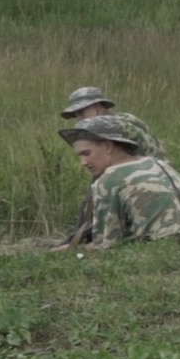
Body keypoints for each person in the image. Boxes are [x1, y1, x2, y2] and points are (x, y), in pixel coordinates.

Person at [60, 116, 180, 248]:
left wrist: (69, 251)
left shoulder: (109, 179)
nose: (83, 162)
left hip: (160, 249)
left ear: (107, 146)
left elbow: (106, 244)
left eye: (87, 154)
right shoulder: (158, 163)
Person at [57, 86, 165, 248]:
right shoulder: (127, 119)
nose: (78, 120)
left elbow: (112, 173)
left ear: (97, 108)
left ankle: (85, 242)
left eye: (81, 113)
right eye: (76, 116)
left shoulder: (114, 129)